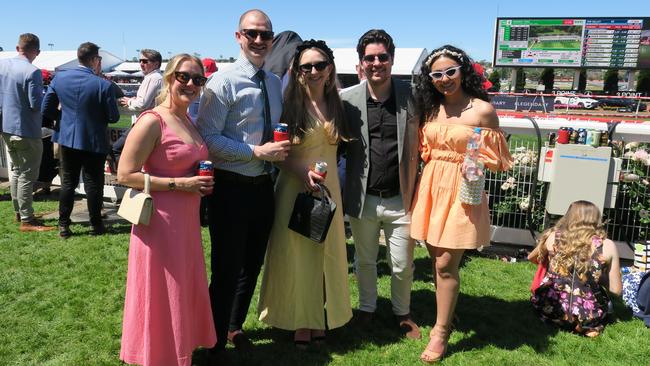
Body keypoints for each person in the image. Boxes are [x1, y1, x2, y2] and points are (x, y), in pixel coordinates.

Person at [196, 9, 291, 358]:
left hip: (264, 188)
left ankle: (234, 327)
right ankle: (213, 341)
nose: (258, 40)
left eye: (265, 34)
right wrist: (256, 151)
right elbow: (208, 139)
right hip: (231, 188)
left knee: (251, 264)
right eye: (251, 33)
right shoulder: (223, 82)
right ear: (238, 37)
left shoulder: (273, 82)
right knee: (226, 269)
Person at [410, 45, 513, 363]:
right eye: (437, 74)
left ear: (463, 71)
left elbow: (496, 159)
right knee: (435, 261)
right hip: (431, 187)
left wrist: (475, 158)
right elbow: (423, 149)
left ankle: (440, 331)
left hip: (462, 189)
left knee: (444, 264)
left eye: (450, 71)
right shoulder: (430, 108)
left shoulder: (482, 110)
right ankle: (446, 315)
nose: (444, 79)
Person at [117, 53, 216, 366]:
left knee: (181, 288)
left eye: (197, 79)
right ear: (169, 78)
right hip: (160, 223)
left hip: (185, 223)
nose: (189, 84)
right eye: (183, 77)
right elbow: (125, 175)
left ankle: (178, 350)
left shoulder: (188, 119)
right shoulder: (152, 120)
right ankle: (158, 355)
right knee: (162, 291)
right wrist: (179, 185)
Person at [258, 39, 352, 346]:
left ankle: (319, 317)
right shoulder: (288, 105)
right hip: (294, 187)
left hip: (328, 190)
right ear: (297, 71)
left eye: (319, 65)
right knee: (296, 257)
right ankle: (300, 321)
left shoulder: (339, 103)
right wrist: (303, 173)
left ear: (330, 69)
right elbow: (279, 154)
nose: (313, 71)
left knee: (325, 255)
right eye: (306, 66)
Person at [339, 29, 421, 339]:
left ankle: (402, 312)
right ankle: (367, 308)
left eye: (382, 57)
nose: (377, 63)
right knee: (365, 260)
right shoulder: (347, 100)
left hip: (401, 198)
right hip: (364, 198)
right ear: (361, 63)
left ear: (392, 59)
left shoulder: (412, 96)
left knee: (401, 264)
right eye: (370, 58)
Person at [42, 42, 120, 238]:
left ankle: (63, 225)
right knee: (94, 183)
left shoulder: (59, 78)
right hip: (94, 140)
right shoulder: (103, 84)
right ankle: (95, 225)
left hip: (67, 138)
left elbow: (47, 109)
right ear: (94, 60)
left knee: (68, 182)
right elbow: (113, 117)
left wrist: (63, 121)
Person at [529, 200, 622, 337]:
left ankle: (561, 320)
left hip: (551, 307)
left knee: (548, 300)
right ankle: (586, 327)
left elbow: (532, 258)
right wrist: (597, 276)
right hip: (588, 314)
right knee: (602, 304)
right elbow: (616, 290)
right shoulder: (607, 245)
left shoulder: (553, 236)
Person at [0, 33, 54, 231]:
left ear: (17, 48)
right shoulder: (32, 72)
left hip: (6, 127)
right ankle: (27, 219)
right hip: (26, 130)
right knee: (27, 175)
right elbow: (35, 104)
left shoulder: (2, 65)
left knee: (16, 171)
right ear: (37, 52)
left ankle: (20, 212)